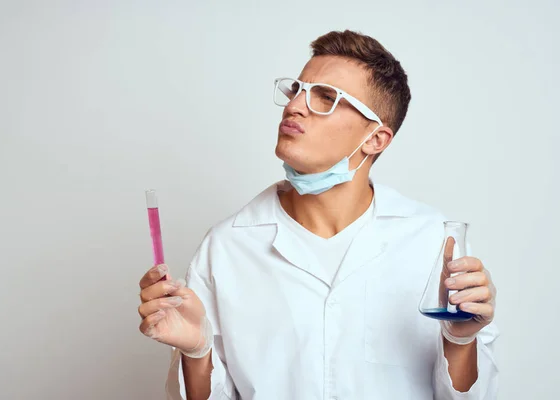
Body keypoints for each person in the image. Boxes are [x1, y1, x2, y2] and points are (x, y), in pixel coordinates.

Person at [138, 30, 498, 400]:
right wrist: (197, 351)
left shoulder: (431, 242)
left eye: (327, 97)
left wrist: (460, 339)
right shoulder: (227, 246)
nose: (295, 106)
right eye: (297, 90)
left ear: (376, 138)